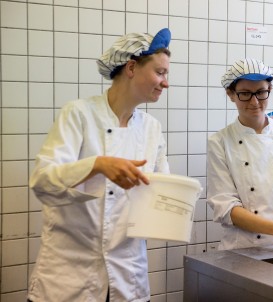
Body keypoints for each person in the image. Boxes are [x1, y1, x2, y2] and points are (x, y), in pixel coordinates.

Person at [27, 29, 172, 302]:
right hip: (69, 279)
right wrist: (97, 165)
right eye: (160, 73)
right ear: (131, 67)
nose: (166, 83)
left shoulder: (152, 128)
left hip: (129, 277)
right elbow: (42, 181)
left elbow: (160, 192)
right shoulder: (79, 114)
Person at [207, 58, 273, 253]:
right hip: (242, 252)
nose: (255, 101)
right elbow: (226, 208)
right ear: (231, 94)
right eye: (245, 94)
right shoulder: (220, 142)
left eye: (261, 92)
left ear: (269, 90)